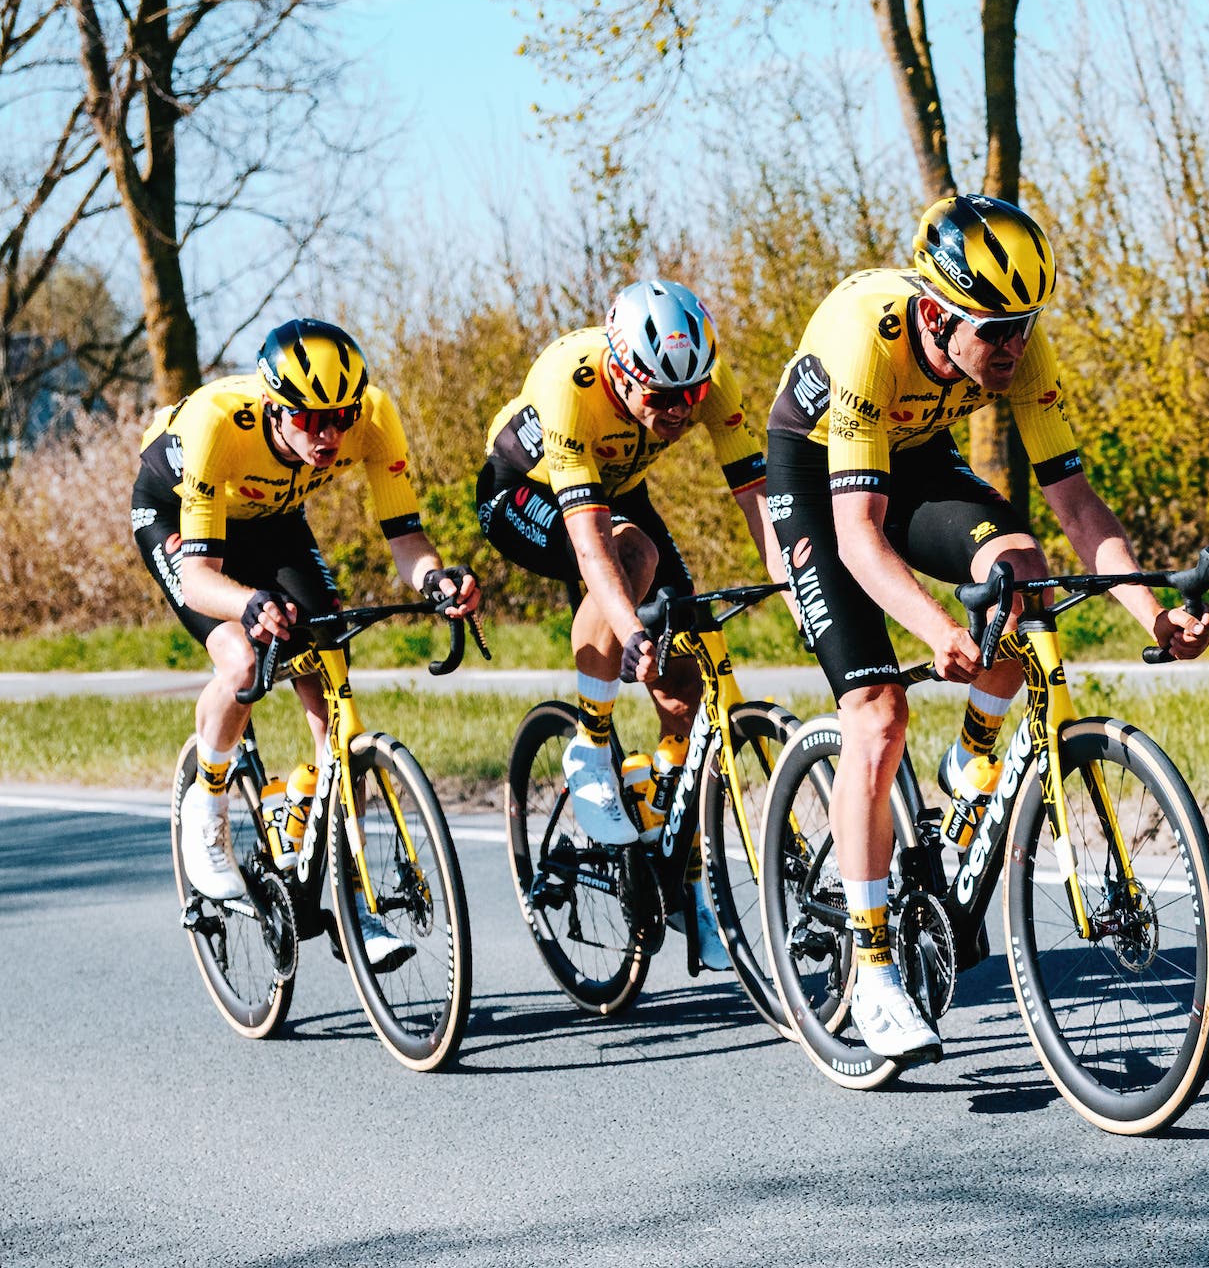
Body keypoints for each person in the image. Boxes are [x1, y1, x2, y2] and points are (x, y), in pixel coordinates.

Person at [763, 194, 1209, 1065]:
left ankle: (972, 756)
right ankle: (874, 970)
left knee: (1027, 574)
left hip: (916, 451)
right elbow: (858, 536)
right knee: (879, 714)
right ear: (936, 314)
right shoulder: (868, 336)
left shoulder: (1015, 345)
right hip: (819, 475)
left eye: (1024, 326)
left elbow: (1076, 504)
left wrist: (1149, 611)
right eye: (994, 330)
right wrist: (935, 627)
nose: (1012, 346)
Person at [136, 318, 482, 970]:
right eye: (310, 419)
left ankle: (356, 906)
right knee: (241, 656)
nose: (329, 435)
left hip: (273, 518)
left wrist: (437, 579)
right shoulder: (218, 424)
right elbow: (203, 579)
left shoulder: (374, 419)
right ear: (273, 406)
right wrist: (250, 604)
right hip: (177, 515)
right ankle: (205, 813)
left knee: (327, 666)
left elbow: (407, 542)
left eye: (341, 418)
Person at [476, 279, 786, 970]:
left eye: (694, 396)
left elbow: (760, 505)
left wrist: (804, 598)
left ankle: (667, 819)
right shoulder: (570, 383)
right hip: (524, 492)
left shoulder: (707, 378)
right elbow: (591, 548)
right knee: (631, 560)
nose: (680, 412)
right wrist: (628, 631)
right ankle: (588, 743)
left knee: (687, 670)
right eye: (662, 397)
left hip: (617, 489)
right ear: (620, 372)